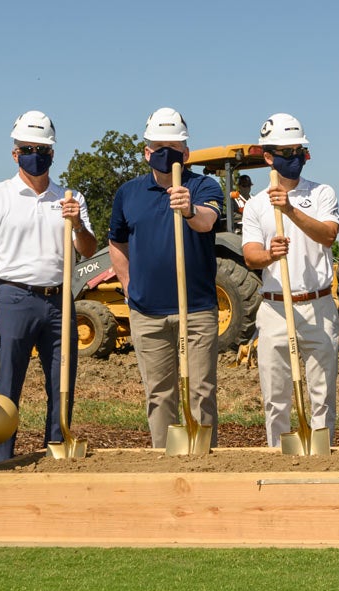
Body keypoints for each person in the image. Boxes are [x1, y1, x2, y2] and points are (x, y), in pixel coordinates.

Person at [0, 110, 98, 463]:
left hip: (59, 299)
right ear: (15, 153)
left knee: (62, 384)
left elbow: (87, 249)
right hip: (13, 297)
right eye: (28, 147)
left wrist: (77, 224)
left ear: (53, 154)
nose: (35, 154)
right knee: (6, 386)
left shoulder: (70, 198)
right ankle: (2, 461)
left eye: (43, 148)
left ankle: (57, 454)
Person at [108, 107, 224, 448]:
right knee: (159, 394)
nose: (166, 154)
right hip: (147, 312)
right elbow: (117, 243)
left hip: (197, 310)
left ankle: (203, 461)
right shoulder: (128, 193)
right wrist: (129, 287)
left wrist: (188, 208)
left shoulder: (203, 186)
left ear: (186, 153)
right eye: (158, 147)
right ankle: (164, 461)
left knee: (201, 391)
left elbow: (207, 221)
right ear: (147, 152)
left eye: (174, 148)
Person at [242, 114, 339, 447]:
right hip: (275, 309)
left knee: (322, 394)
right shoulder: (255, 206)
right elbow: (250, 255)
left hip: (318, 305)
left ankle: (321, 458)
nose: (294, 157)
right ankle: (277, 456)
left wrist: (291, 212)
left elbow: (328, 235)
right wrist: (270, 255)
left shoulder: (322, 192)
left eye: (299, 150)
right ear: (269, 157)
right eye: (286, 152)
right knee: (275, 397)